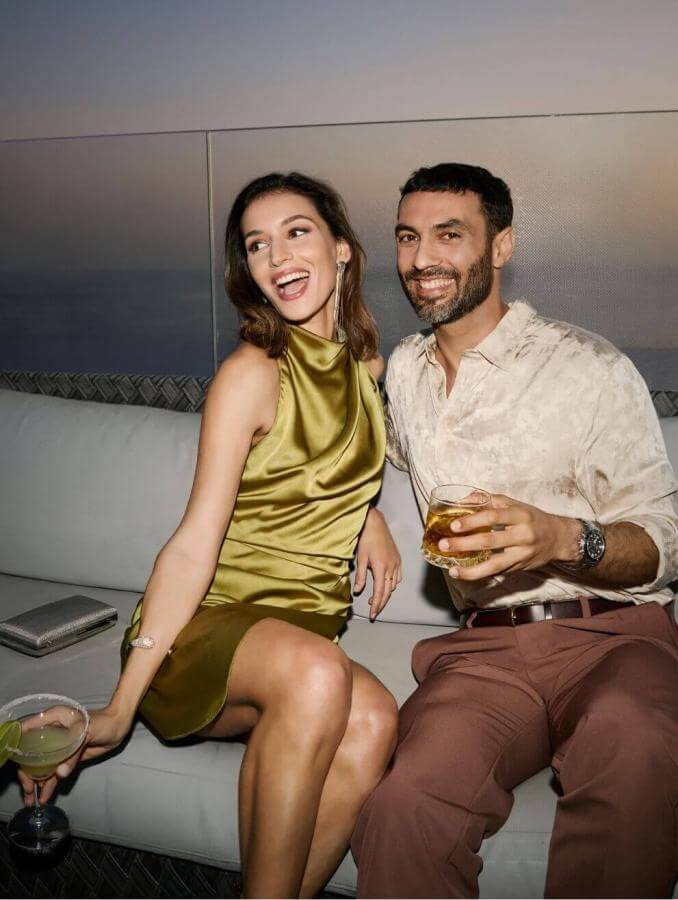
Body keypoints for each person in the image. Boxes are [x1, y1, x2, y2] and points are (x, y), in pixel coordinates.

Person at [18, 172, 401, 899]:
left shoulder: (364, 366)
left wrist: (367, 514)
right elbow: (195, 540)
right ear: (247, 271)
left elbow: (331, 459)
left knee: (378, 717)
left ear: (343, 251)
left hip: (300, 636)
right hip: (214, 634)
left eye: (296, 231)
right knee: (319, 674)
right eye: (257, 244)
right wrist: (119, 706)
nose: (276, 256)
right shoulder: (252, 373)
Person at [352, 162, 678, 898]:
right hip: (486, 652)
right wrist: (362, 506)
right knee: (403, 808)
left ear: (500, 248)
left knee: (636, 748)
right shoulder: (405, 372)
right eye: (408, 238)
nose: (422, 259)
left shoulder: (588, 366)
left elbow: (665, 540)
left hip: (613, 638)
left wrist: (564, 538)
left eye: (449, 235)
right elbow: (359, 446)